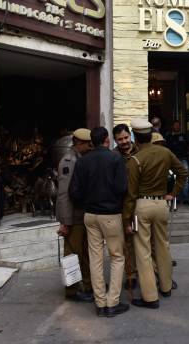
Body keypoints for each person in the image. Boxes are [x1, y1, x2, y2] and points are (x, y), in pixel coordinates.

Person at [124, 118, 188, 309]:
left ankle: (150, 297)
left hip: (142, 205)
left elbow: (130, 193)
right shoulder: (165, 152)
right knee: (163, 246)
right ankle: (166, 287)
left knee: (143, 251)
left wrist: (126, 218)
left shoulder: (135, 160)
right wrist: (173, 193)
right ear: (151, 135)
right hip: (162, 204)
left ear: (136, 137)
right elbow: (183, 173)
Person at [69, 127, 129, 317]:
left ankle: (100, 302)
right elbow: (122, 188)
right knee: (117, 257)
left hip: (90, 214)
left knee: (95, 258)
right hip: (110, 214)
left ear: (92, 142)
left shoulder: (82, 161)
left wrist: (88, 200)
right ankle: (112, 303)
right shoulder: (115, 158)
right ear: (106, 139)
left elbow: (74, 191)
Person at [56, 128, 94, 302]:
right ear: (79, 143)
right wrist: (65, 221)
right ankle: (71, 290)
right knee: (71, 255)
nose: (91, 147)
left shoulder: (80, 158)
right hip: (73, 217)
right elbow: (64, 193)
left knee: (84, 253)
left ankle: (87, 284)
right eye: (88, 144)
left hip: (82, 215)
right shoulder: (69, 161)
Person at [112, 124, 139, 289]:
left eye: (126, 137)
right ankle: (131, 276)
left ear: (130, 136)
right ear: (115, 140)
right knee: (127, 243)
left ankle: (155, 273)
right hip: (123, 205)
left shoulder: (141, 151)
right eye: (120, 139)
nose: (124, 141)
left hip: (142, 202)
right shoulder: (113, 156)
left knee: (148, 241)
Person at [165, 120, 189, 205]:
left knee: (185, 178)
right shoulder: (169, 136)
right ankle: (175, 197)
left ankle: (186, 198)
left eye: (178, 125)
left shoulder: (184, 136)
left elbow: (187, 146)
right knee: (172, 179)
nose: (177, 127)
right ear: (173, 126)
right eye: (175, 125)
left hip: (183, 158)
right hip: (172, 160)